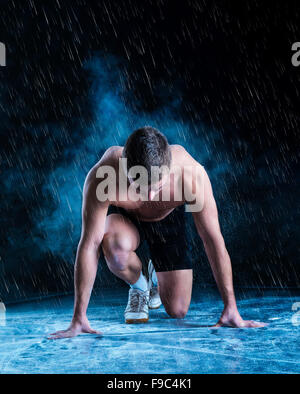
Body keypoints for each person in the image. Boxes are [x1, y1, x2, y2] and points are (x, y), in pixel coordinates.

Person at [49, 126, 265, 339]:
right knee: (115, 252)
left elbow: (212, 240)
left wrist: (231, 308)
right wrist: (79, 317)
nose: (150, 196)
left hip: (167, 222)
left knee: (178, 310)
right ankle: (140, 287)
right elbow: (89, 244)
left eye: (158, 187)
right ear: (125, 168)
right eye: (140, 187)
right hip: (126, 220)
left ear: (169, 167)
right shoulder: (103, 176)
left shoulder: (191, 175)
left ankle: (156, 277)